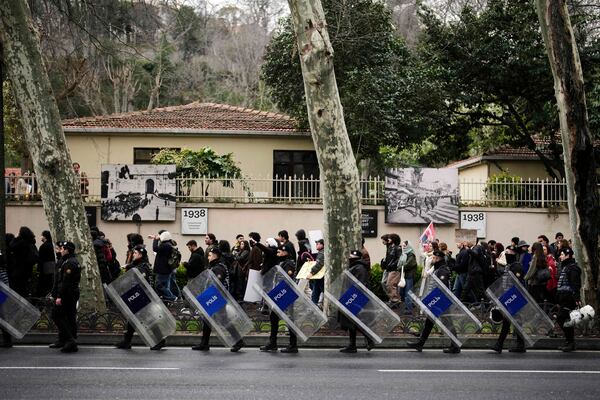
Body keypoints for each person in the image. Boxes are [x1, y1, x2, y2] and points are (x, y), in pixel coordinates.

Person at [407, 250, 461, 354]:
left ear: (438, 258)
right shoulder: (438, 268)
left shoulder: (442, 269)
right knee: (429, 322)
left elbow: (442, 285)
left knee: (447, 322)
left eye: (434, 258)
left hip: (441, 300)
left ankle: (455, 346)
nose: (432, 259)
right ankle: (420, 344)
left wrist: (434, 299)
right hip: (437, 300)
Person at [192, 248, 244, 352]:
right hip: (214, 297)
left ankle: (238, 341)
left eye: (210, 255)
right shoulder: (216, 266)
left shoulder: (219, 268)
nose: (208, 257)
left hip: (217, 297)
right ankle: (204, 343)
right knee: (207, 319)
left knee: (224, 320)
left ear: (215, 256)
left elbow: (217, 280)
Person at [259, 244, 298, 353]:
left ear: (285, 252)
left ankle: (293, 345)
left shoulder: (289, 263)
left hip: (286, 294)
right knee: (274, 318)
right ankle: (272, 343)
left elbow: (287, 278)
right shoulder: (281, 263)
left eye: (279, 251)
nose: (277, 253)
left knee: (290, 319)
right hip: (279, 295)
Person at [115, 245, 154, 350]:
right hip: (138, 296)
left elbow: (140, 282)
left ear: (140, 255)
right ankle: (126, 341)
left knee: (147, 319)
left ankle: (160, 341)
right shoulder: (139, 265)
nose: (133, 255)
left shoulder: (142, 266)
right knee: (133, 319)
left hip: (141, 296)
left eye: (135, 253)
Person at [490, 245, 527, 353]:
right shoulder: (509, 266)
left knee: (511, 321)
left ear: (514, 253)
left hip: (514, 297)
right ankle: (514, 345)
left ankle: (501, 345)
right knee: (511, 321)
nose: (506, 252)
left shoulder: (517, 266)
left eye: (509, 251)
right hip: (508, 297)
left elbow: (518, 284)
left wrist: (511, 297)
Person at [339, 250, 374, 353]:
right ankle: (352, 345)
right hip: (351, 297)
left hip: (355, 298)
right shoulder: (355, 267)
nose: (350, 259)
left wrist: (352, 297)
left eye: (351, 257)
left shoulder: (360, 268)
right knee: (352, 322)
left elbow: (360, 285)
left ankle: (369, 339)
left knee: (356, 322)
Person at [49, 241, 81, 353]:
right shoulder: (68, 261)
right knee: (67, 316)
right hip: (69, 293)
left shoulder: (70, 263)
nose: (60, 250)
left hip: (68, 294)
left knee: (56, 315)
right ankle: (65, 340)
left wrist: (59, 296)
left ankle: (70, 340)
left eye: (62, 248)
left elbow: (65, 282)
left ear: (67, 250)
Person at [555, 247, 581, 352]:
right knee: (565, 319)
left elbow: (575, 284)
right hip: (563, 298)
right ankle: (569, 342)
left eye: (562, 254)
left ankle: (570, 342)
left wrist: (576, 298)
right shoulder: (566, 267)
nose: (560, 257)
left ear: (567, 255)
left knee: (561, 318)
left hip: (568, 298)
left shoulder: (573, 268)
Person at [8, 226, 38, 297]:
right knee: (24, 289)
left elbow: (11, 246)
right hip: (27, 270)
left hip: (18, 270)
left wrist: (15, 238)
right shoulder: (31, 243)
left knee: (17, 290)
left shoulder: (20, 243)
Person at [150, 231, 177, 301]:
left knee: (158, 285)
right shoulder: (169, 244)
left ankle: (172, 297)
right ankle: (166, 298)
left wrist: (155, 239)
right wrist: (156, 238)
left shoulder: (165, 245)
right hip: (166, 269)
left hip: (163, 269)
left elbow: (155, 248)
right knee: (164, 286)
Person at [397, 240, 417, 315]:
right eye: (402, 246)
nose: (403, 247)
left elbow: (408, 265)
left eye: (405, 246)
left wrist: (400, 267)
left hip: (409, 276)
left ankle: (409, 309)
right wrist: (400, 267)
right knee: (402, 292)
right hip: (404, 275)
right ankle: (408, 305)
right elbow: (399, 264)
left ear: (408, 246)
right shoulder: (403, 254)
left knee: (408, 292)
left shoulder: (411, 254)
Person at [37, 230, 56, 297]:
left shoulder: (43, 246)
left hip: (45, 268)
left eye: (41, 235)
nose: (40, 237)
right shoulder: (53, 245)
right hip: (53, 267)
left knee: (45, 284)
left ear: (45, 237)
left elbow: (40, 258)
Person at [306, 238, 325, 305]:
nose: (316, 245)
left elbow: (319, 264)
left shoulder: (322, 253)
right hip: (319, 277)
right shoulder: (321, 253)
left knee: (321, 293)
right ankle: (315, 306)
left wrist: (311, 273)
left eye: (318, 244)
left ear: (323, 245)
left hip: (321, 277)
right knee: (315, 294)